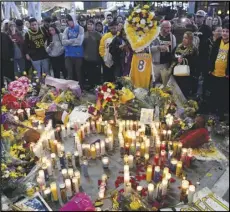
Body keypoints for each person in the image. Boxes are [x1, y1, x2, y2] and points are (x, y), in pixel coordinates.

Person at [208, 24, 229, 120]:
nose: (224, 33)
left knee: (223, 95)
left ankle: (221, 114)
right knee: (214, 94)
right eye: (223, 31)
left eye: (227, 31)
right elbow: (212, 56)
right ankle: (212, 112)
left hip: (225, 75)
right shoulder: (218, 41)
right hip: (214, 73)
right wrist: (210, 69)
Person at [171, 31, 198, 98]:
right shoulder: (178, 47)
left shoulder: (193, 49)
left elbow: (195, 62)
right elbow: (171, 56)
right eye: (184, 37)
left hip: (187, 75)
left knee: (184, 92)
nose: (184, 39)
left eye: (186, 38)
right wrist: (177, 59)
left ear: (190, 39)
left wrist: (183, 60)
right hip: (176, 73)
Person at [62, 14, 84, 89]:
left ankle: (80, 88)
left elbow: (79, 42)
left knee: (79, 72)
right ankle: (70, 89)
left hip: (78, 54)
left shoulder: (80, 28)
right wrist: (74, 40)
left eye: (70, 20)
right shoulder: (66, 29)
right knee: (69, 72)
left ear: (74, 20)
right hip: (68, 54)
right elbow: (63, 42)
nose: (69, 22)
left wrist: (69, 41)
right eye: (68, 21)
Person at [83, 19, 102, 90]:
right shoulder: (84, 34)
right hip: (86, 58)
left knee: (96, 73)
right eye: (88, 24)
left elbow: (101, 46)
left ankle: (97, 87)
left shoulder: (98, 35)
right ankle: (90, 85)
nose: (89, 26)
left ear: (94, 26)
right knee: (89, 73)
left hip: (96, 58)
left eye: (91, 24)